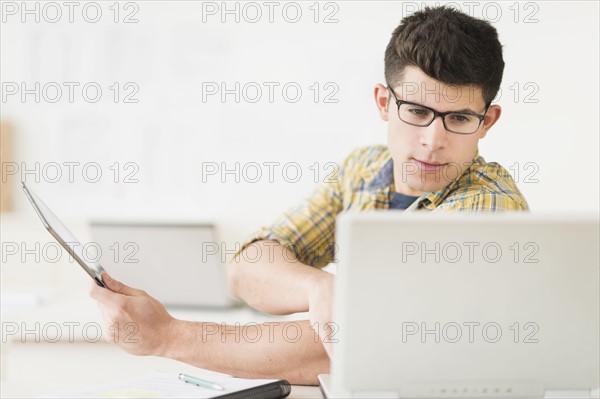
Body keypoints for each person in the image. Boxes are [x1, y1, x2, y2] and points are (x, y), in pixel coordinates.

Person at [90, 6, 528, 386]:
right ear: (383, 102)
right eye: (416, 111)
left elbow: (356, 344)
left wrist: (169, 336)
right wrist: (318, 286)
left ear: (487, 121)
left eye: (459, 118)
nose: (433, 140)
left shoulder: (489, 206)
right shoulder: (363, 170)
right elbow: (246, 268)